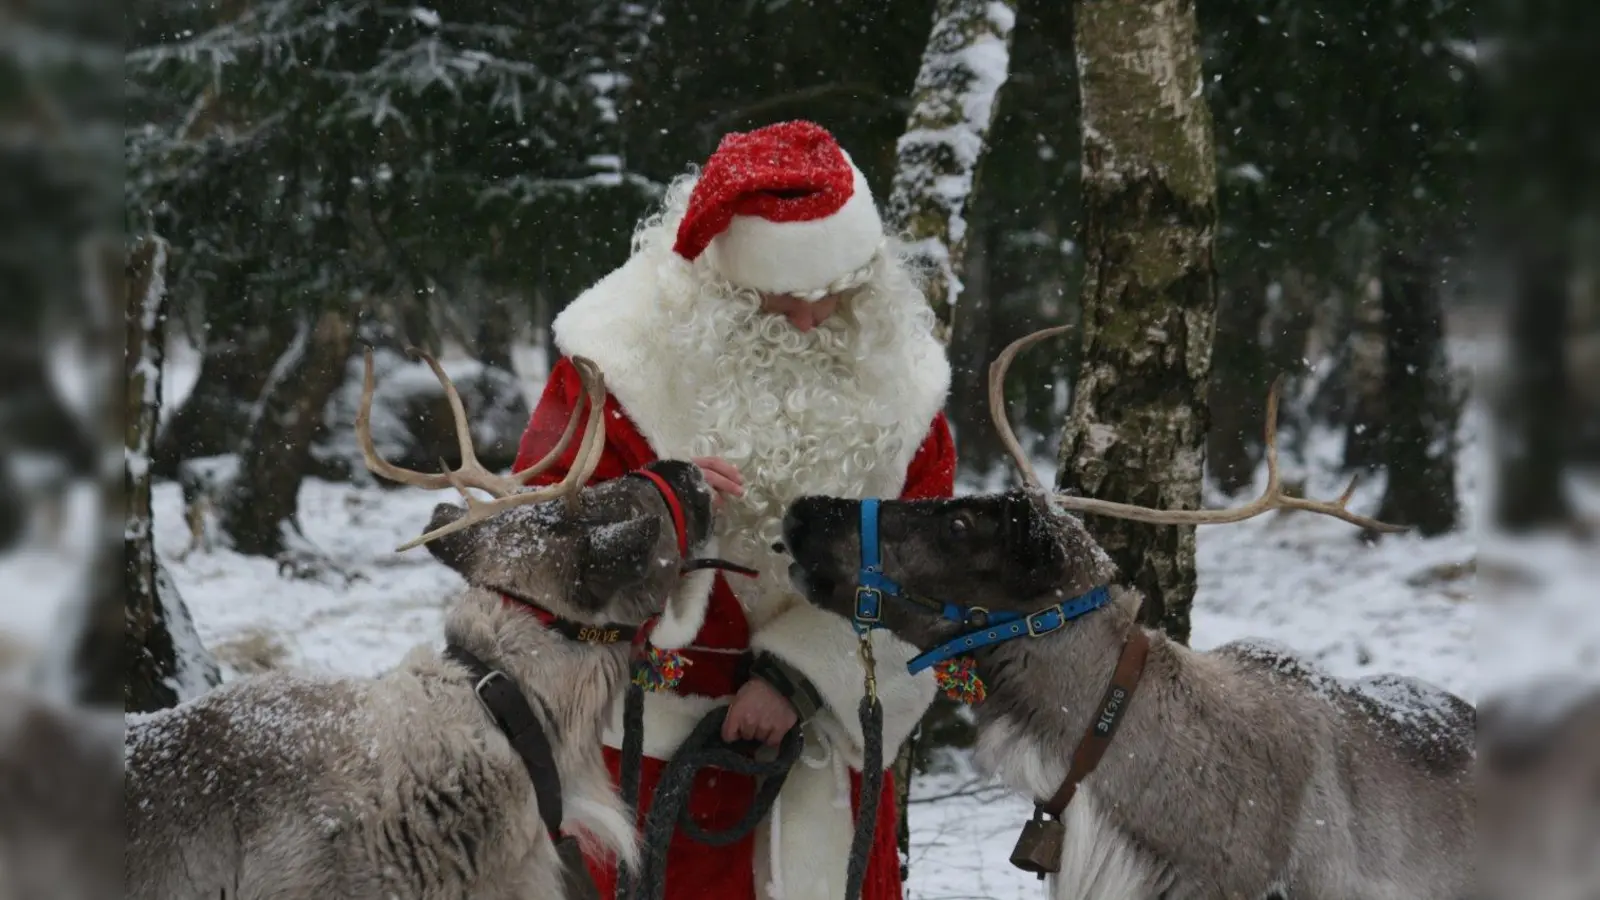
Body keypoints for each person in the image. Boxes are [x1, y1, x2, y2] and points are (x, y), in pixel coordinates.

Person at [513, 119, 956, 900]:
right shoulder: (614, 372)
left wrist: (799, 678)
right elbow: (535, 558)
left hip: (825, 768)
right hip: (645, 769)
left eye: (836, 294)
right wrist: (659, 514)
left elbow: (928, 569)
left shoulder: (903, 385)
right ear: (722, 289)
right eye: (785, 302)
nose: (813, 321)